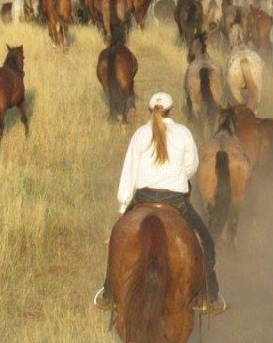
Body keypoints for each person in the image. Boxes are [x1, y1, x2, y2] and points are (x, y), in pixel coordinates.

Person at [94, 92, 226, 315]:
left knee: (117, 238)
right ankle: (208, 296)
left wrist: (122, 205)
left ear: (149, 110)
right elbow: (191, 166)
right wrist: (177, 177)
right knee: (206, 243)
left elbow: (129, 171)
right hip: (175, 200)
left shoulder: (139, 134)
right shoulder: (183, 133)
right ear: (171, 110)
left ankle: (109, 294)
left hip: (143, 197)